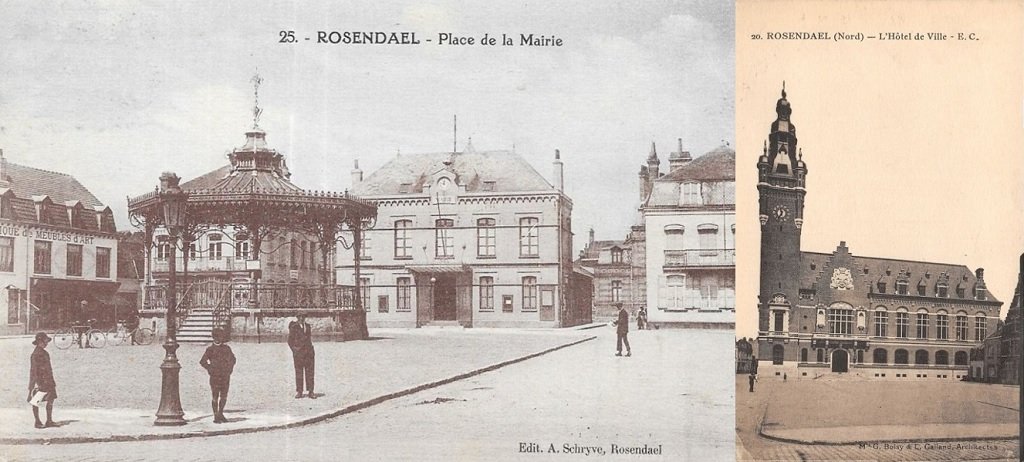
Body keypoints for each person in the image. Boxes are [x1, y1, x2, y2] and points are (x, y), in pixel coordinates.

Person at [199, 328, 236, 424]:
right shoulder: (210, 349)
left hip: (225, 375)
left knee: (224, 396)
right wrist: (210, 369)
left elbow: (233, 359)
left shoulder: (226, 348)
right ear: (213, 337)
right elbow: (202, 361)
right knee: (215, 396)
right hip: (214, 376)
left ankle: (221, 413)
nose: (219, 338)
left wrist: (229, 369)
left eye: (220, 336)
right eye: (217, 337)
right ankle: (216, 415)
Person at [28, 332, 57, 429]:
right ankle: (37, 421)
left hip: (48, 380)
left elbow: (49, 368)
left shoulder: (45, 353)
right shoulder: (35, 355)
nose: (46, 343)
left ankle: (49, 420)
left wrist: (52, 380)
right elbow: (33, 371)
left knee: (51, 399)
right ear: (40, 342)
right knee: (36, 401)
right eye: (45, 341)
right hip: (41, 381)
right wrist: (33, 385)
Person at [288, 313, 316, 399]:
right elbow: (290, 340)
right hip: (299, 353)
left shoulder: (308, 326)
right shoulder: (294, 327)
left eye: (303, 317)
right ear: (297, 318)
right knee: (299, 372)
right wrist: (295, 350)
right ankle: (299, 391)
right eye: (300, 317)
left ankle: (311, 391)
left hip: (308, 353)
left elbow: (309, 338)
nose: (301, 319)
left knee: (310, 372)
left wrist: (311, 350)